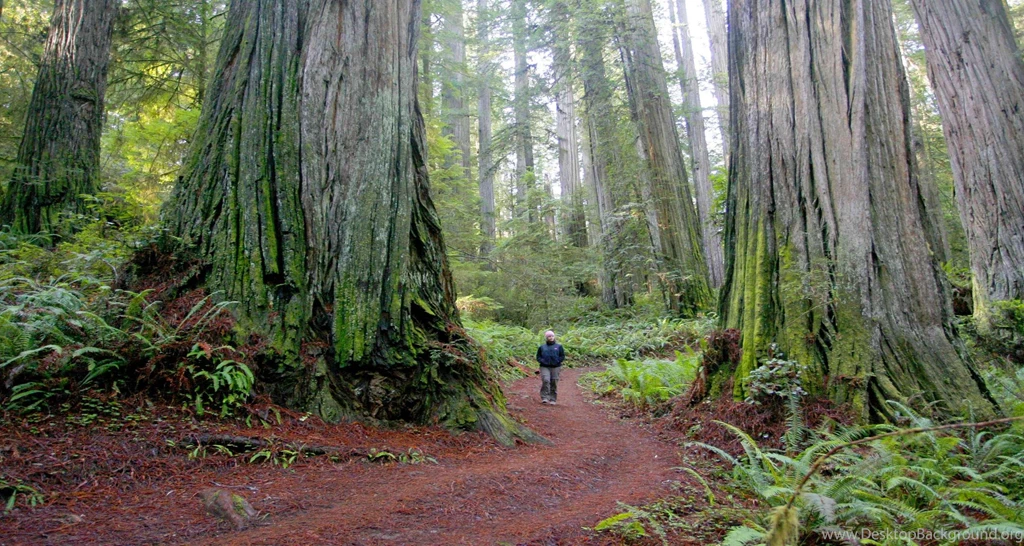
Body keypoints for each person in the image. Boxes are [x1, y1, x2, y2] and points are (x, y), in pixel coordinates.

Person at [535, 330, 565, 405]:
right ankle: (544, 397)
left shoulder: (558, 346)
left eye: (552, 336)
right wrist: (542, 361)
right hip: (544, 366)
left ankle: (553, 399)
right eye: (549, 336)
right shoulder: (542, 347)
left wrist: (558, 361)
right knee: (546, 380)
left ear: (554, 337)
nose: (551, 337)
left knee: (554, 381)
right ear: (546, 338)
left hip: (556, 367)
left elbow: (562, 356)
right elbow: (538, 356)